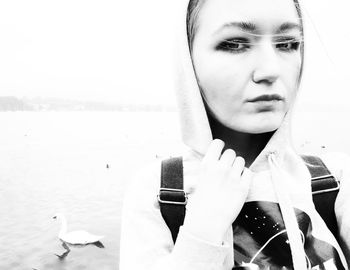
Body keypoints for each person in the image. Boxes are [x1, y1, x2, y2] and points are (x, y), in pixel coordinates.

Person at [119, 0, 350, 269]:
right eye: (234, 44)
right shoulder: (160, 192)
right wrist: (201, 233)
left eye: (287, 44)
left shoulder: (334, 181)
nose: (271, 70)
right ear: (188, 60)